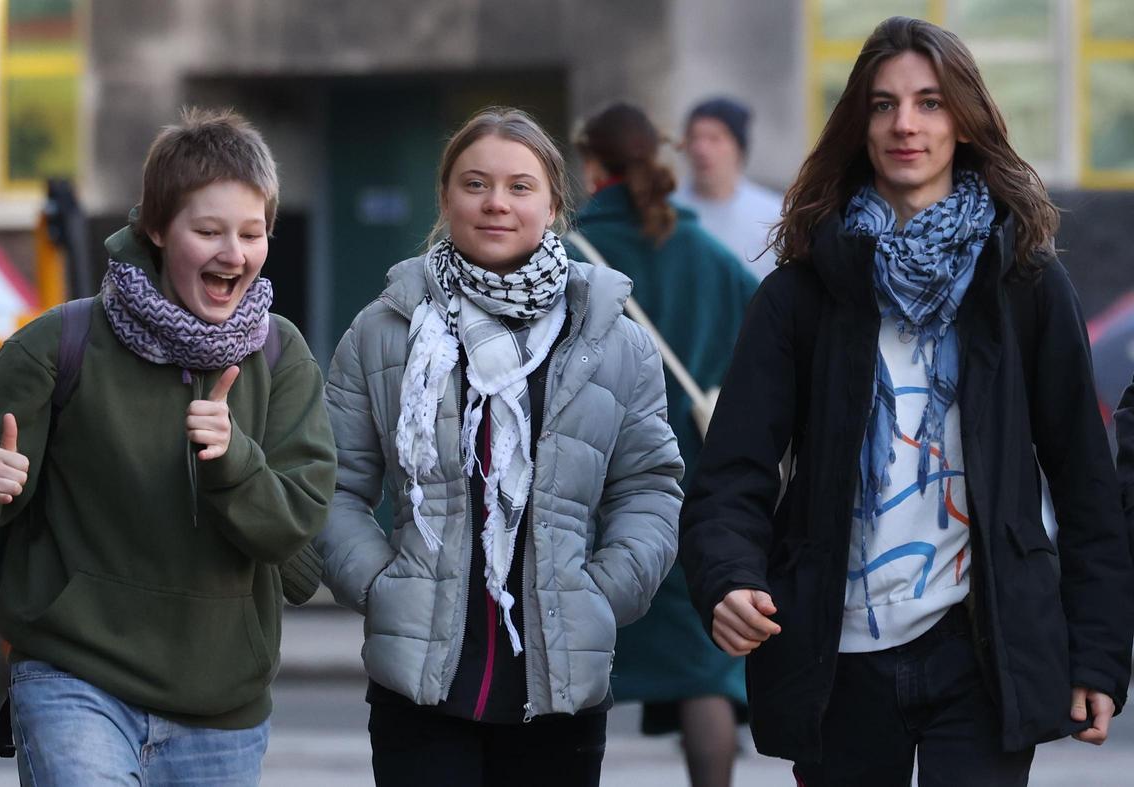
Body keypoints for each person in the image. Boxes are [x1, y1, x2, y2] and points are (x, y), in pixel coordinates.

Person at [679, 16, 1133, 787]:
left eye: (929, 102)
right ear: (861, 124)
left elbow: (1083, 478)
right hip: (837, 652)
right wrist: (727, 577)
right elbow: (733, 472)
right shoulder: (801, 293)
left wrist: (1097, 651)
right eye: (884, 104)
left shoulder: (1024, 283)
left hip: (981, 647)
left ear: (964, 117)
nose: (905, 124)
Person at [0, 108, 338, 785]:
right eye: (208, 231)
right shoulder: (58, 342)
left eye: (251, 232)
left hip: (222, 707)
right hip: (74, 679)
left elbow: (298, 533)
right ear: (155, 227)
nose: (233, 253)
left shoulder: (282, 355)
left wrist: (234, 460)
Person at [314, 106, 683, 787]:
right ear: (447, 197)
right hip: (419, 686)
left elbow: (649, 485)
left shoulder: (612, 339)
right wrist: (378, 584)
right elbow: (331, 483)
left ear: (553, 205)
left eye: (519, 186)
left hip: (561, 684)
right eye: (475, 183)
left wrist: (604, 591)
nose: (495, 203)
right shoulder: (385, 330)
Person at [570, 101, 758, 787]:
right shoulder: (712, 258)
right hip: (694, 490)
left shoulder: (564, 256)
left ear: (592, 167)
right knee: (703, 667)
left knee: (563, 654)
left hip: (584, 492)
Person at [674, 97, 782, 282]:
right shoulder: (667, 210)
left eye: (714, 139)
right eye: (694, 138)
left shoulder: (773, 215)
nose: (701, 149)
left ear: (738, 147)